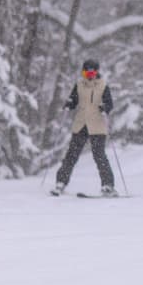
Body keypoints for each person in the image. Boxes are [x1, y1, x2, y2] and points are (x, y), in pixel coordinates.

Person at [50, 58, 117, 197]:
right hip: (81, 124)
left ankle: (108, 185)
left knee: (99, 156)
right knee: (71, 155)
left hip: (97, 125)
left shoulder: (103, 85)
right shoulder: (79, 85)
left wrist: (105, 107)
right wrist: (69, 103)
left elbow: (109, 103)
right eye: (86, 73)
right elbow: (73, 100)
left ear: (97, 72)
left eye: (92, 73)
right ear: (83, 72)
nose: (89, 76)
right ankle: (60, 182)